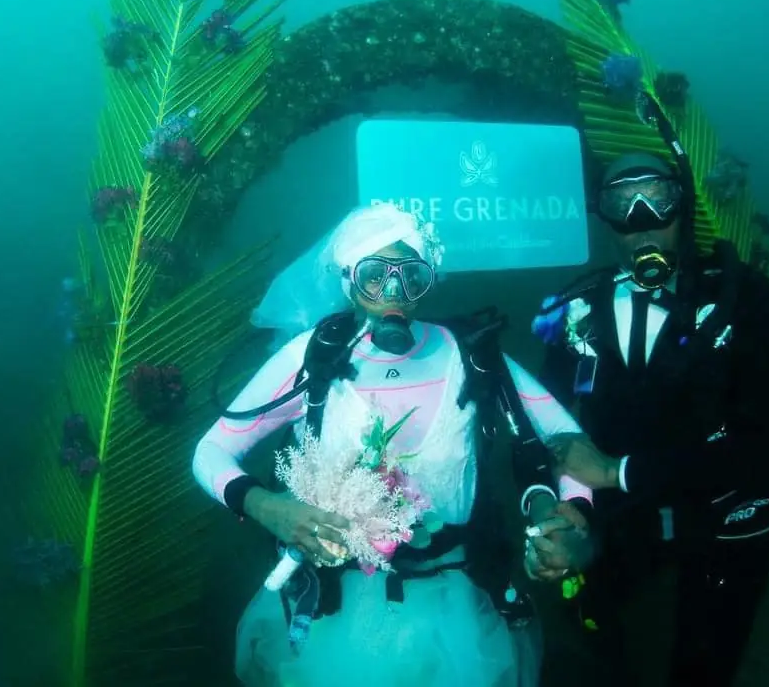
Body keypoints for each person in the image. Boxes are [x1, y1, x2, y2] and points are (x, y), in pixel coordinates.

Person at [192, 202, 595, 687]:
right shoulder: (312, 359)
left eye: (411, 277)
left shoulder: (472, 355)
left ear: (429, 280)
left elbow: (566, 439)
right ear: (348, 281)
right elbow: (209, 452)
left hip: (456, 607)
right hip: (336, 612)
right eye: (374, 275)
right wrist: (265, 506)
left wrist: (572, 512)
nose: (394, 293)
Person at [531, 145, 769, 687]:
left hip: (727, 512)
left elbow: (764, 445)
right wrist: (568, 509)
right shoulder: (575, 311)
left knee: (701, 664)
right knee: (590, 624)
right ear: (602, 216)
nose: (642, 221)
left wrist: (615, 472)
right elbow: (545, 425)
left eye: (656, 198)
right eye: (621, 203)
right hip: (629, 512)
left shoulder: (747, 303)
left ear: (683, 207)